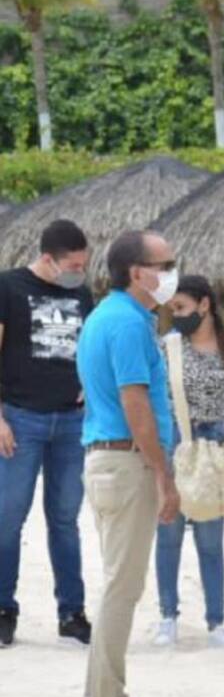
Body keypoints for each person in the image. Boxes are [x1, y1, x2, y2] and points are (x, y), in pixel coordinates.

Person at [76, 230, 181, 697]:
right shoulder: (127, 324)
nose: (170, 273)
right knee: (123, 585)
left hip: (108, 459)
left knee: (118, 582)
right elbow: (135, 404)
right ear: (137, 271)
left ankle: (101, 692)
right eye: (165, 264)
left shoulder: (109, 317)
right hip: (125, 460)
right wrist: (164, 475)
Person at [0, 219, 94, 649]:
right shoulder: (9, 287)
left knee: (65, 519)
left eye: (83, 264)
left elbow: (90, 346)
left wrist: (88, 385)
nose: (79, 271)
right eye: (72, 265)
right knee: (7, 518)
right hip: (20, 418)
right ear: (47, 259)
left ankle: (71, 612)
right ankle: (4, 609)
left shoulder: (81, 293)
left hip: (70, 421)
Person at [152, 275, 224, 652]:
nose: (176, 315)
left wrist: (217, 432)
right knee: (169, 533)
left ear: (204, 304)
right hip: (177, 440)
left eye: (181, 307)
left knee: (211, 539)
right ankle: (168, 616)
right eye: (172, 309)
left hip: (213, 443)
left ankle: (217, 621)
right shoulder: (167, 348)